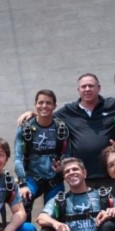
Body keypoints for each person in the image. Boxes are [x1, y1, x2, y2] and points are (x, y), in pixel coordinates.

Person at [20, 74, 115, 196]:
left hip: (108, 175)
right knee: (84, 213)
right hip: (80, 177)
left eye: (91, 86)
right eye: (83, 86)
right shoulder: (67, 111)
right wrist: (32, 114)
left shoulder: (113, 105)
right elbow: (46, 116)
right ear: (78, 90)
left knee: (113, 212)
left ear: (99, 88)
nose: (87, 89)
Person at [15, 90, 70, 223]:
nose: (44, 106)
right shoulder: (25, 128)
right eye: (41, 102)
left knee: (57, 211)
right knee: (23, 201)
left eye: (48, 103)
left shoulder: (61, 128)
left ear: (54, 106)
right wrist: (22, 184)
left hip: (54, 179)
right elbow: (18, 158)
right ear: (35, 105)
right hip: (32, 178)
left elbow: (67, 154)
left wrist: (62, 164)